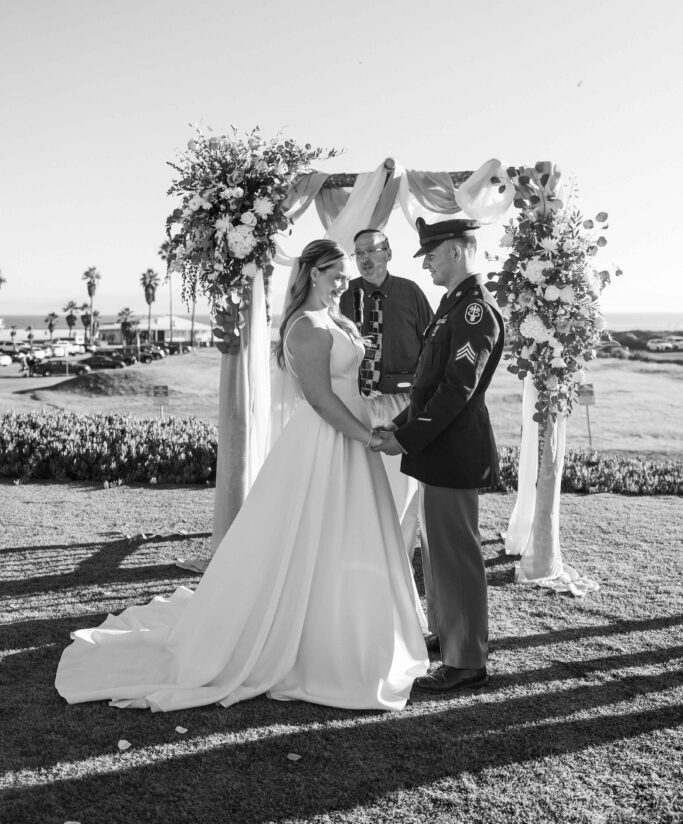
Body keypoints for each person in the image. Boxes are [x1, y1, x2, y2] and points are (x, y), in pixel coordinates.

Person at [55, 240, 427, 713]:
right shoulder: (306, 328)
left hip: (351, 444)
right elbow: (320, 399)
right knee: (312, 532)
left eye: (346, 273)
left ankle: (355, 632)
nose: (344, 281)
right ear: (313, 273)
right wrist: (368, 437)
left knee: (348, 535)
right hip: (326, 443)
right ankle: (310, 644)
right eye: (336, 272)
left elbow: (352, 386)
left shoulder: (336, 319)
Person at [374, 217, 505, 695]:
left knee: (456, 555)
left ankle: (467, 660)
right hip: (438, 447)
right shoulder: (453, 307)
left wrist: (408, 438)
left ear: (456, 250)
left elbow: (456, 392)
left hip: (453, 448)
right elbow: (427, 389)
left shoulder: (475, 312)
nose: (426, 263)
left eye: (431, 254)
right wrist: (402, 425)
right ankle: (449, 635)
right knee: (437, 553)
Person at [339, 229, 432, 558]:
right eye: (358, 253)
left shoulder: (411, 293)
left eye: (371, 251)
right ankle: (361, 556)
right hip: (359, 403)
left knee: (403, 486)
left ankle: (400, 560)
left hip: (402, 404)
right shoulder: (345, 295)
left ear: (388, 252)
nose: (364, 259)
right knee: (360, 483)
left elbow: (432, 350)